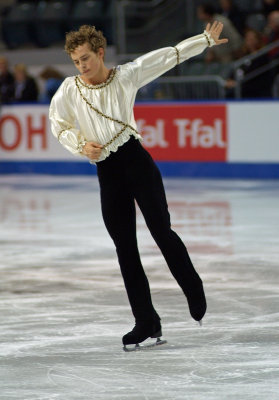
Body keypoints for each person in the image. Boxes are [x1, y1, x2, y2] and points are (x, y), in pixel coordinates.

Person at [49, 23, 228, 349]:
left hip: (136, 163)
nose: (82, 66)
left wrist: (203, 40)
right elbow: (58, 125)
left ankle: (192, 285)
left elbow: (167, 57)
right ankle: (146, 321)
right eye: (76, 61)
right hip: (107, 173)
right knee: (125, 250)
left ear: (100, 53)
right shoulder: (69, 90)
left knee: (162, 231)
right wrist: (80, 146)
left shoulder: (127, 76)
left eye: (86, 58)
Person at [225, 29, 272, 98]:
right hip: (242, 88)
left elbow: (254, 75)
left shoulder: (262, 57)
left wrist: (238, 83)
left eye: (252, 39)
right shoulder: (244, 55)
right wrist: (230, 79)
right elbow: (237, 69)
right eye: (247, 39)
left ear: (257, 40)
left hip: (255, 90)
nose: (249, 41)